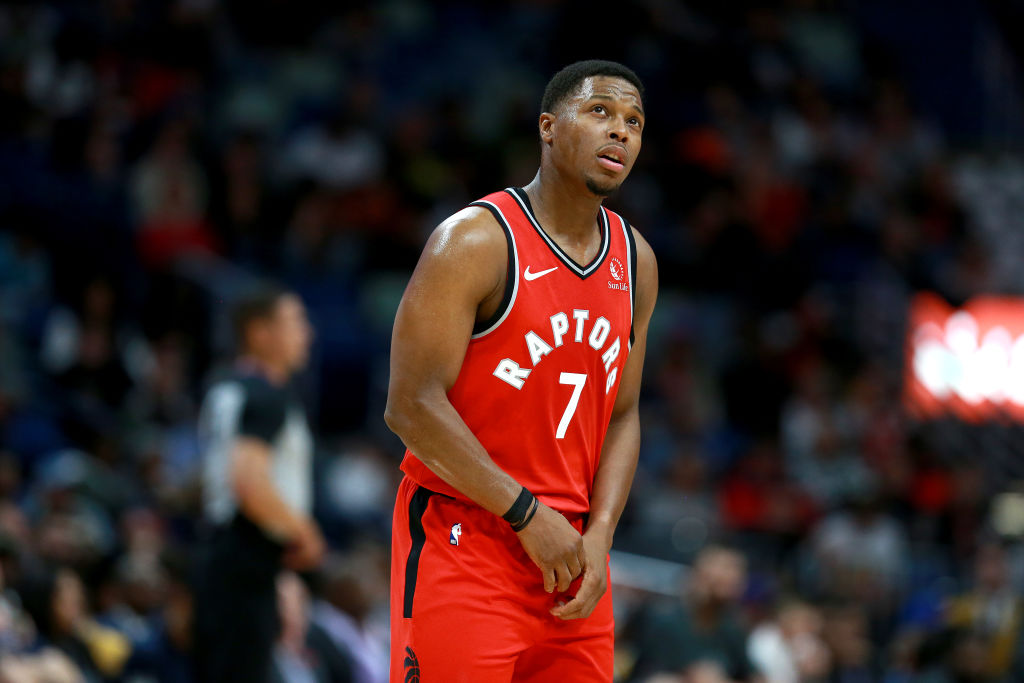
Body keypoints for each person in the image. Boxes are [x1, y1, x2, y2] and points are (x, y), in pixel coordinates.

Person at [384, 59, 658, 682]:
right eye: (600, 112)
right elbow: (409, 404)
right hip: (468, 536)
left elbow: (623, 413)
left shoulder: (635, 260)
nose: (620, 132)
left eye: (634, 122)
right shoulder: (475, 241)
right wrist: (527, 515)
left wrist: (601, 535)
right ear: (548, 127)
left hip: (574, 557)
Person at [192, 285, 324, 683]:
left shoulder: (224, 386)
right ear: (259, 332)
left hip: (221, 551)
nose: (308, 333)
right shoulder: (267, 393)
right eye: (295, 321)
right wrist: (306, 533)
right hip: (246, 554)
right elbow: (248, 484)